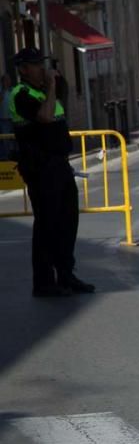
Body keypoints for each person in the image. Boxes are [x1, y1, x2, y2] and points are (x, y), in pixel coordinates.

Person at [8, 47, 94, 297]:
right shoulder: (21, 94)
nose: (40, 69)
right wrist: (51, 88)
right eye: (35, 65)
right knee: (47, 224)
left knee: (67, 222)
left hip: (59, 165)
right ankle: (44, 282)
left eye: (41, 63)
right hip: (40, 168)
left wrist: (54, 84)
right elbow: (44, 117)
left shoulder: (44, 91)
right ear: (23, 69)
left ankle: (66, 275)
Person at [0, 73, 12, 157]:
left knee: (14, 139)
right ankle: (7, 156)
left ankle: (14, 155)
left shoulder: (13, 90)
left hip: (13, 119)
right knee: (5, 139)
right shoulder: (1, 92)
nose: (7, 82)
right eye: (5, 80)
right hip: (4, 119)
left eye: (8, 80)